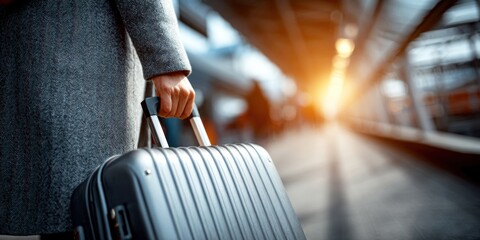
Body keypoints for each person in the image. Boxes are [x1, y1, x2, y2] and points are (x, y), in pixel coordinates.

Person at [0, 0, 195, 237]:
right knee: (90, 210)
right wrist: (166, 59)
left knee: (82, 210)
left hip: (55, 63)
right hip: (80, 66)